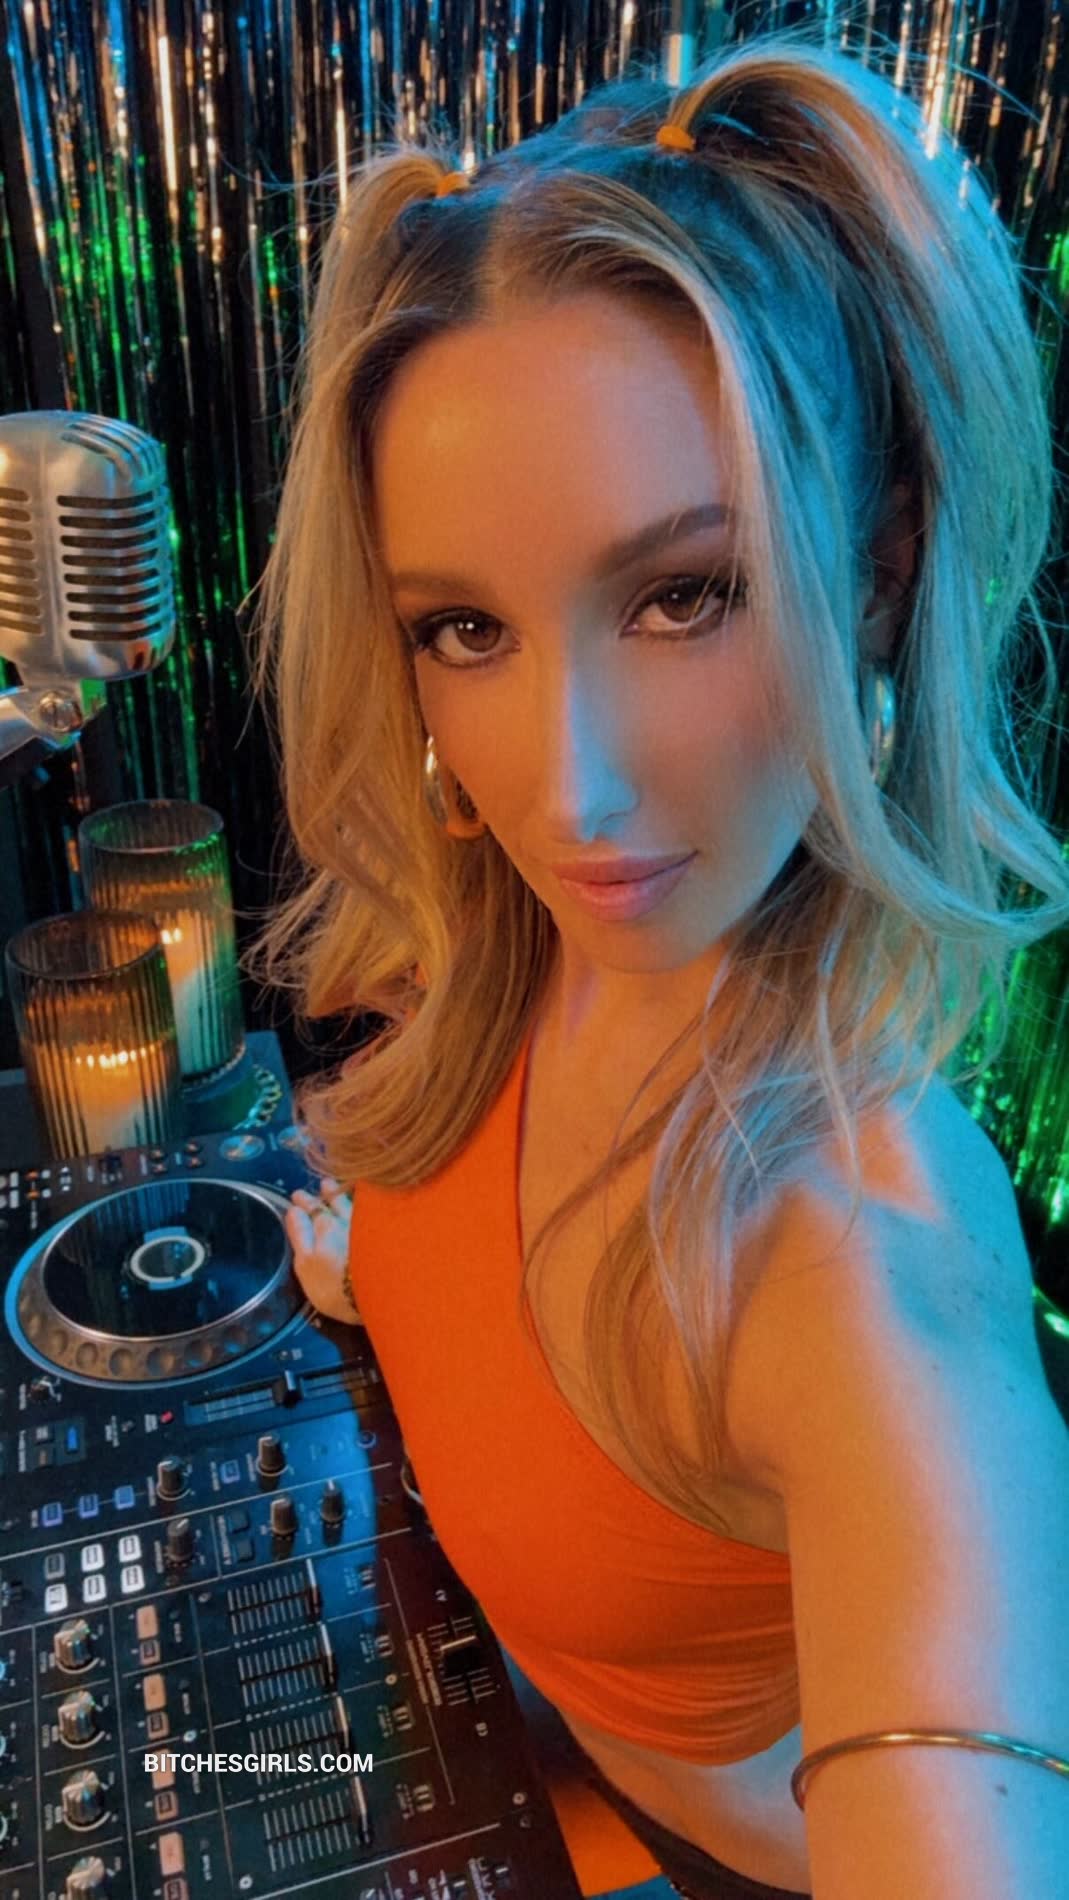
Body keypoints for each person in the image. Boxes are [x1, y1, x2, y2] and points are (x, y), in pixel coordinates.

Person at [244, 23, 1069, 1899]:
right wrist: (388, 1279)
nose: (566, 786)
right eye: (464, 630)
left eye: (682, 594)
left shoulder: (866, 1286)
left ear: (875, 578)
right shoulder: (500, 966)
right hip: (493, 1722)